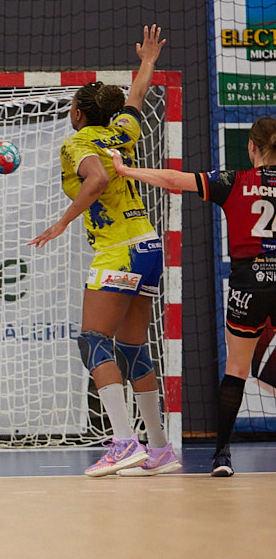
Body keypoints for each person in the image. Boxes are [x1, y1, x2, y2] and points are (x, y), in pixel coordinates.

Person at [28, 25, 180, 477]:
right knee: (132, 347)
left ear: (77, 112)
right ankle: (160, 449)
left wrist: (62, 222)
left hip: (118, 251)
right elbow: (136, 98)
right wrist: (147, 62)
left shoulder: (77, 142)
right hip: (147, 245)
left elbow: (95, 179)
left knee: (93, 340)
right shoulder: (120, 132)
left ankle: (123, 442)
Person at [108, 116, 276, 477]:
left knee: (237, 370)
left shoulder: (233, 181)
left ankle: (222, 457)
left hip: (249, 282)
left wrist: (125, 170)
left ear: (251, 147)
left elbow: (173, 180)